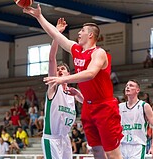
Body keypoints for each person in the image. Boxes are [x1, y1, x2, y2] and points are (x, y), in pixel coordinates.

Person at [24, 6, 123, 159]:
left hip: (104, 106)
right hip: (88, 106)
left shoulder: (99, 52)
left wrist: (62, 79)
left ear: (90, 35)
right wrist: (39, 16)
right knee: (96, 150)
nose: (78, 33)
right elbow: (56, 35)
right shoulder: (76, 50)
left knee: (111, 152)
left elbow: (90, 73)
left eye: (82, 31)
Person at [37, 18, 83, 159]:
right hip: (52, 138)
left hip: (65, 139)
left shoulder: (73, 93)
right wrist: (57, 33)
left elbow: (87, 102)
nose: (59, 70)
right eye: (58, 70)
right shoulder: (54, 87)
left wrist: (79, 95)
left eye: (63, 69)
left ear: (69, 74)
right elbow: (52, 58)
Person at [119, 79, 153, 159]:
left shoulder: (144, 105)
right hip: (122, 145)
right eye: (127, 86)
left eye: (131, 86)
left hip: (137, 146)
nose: (127, 87)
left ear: (137, 90)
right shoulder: (120, 106)